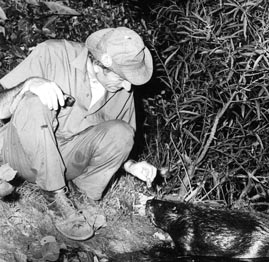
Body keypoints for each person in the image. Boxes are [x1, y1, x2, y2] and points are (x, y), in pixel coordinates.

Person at [0, 27, 157, 240]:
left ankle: (82, 198)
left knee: (122, 131)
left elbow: (116, 140)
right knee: (34, 101)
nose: (128, 87)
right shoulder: (52, 54)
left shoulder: (120, 91)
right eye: (122, 78)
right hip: (20, 153)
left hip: (66, 162)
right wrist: (29, 85)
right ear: (100, 65)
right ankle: (55, 197)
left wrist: (132, 165)